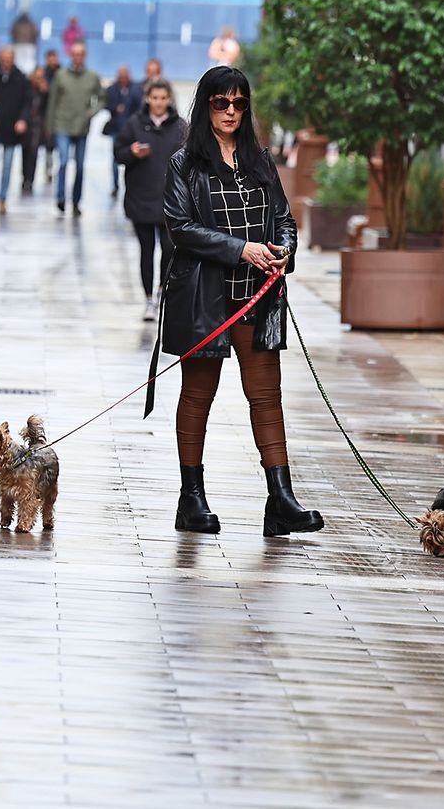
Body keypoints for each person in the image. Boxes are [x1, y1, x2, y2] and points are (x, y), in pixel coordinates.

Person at [159, 64, 320, 538]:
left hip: (258, 297)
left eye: (239, 102)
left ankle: (281, 501)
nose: (231, 111)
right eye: (220, 102)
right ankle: (191, 500)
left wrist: (283, 251)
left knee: (267, 397)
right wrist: (241, 249)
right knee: (198, 395)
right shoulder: (184, 164)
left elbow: (285, 220)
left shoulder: (260, 160)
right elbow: (180, 228)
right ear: (206, 104)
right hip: (205, 297)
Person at [116, 78, 183, 320]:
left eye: (163, 98)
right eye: (154, 98)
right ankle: (148, 299)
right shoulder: (135, 124)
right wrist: (131, 153)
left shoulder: (180, 128)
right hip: (141, 197)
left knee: (169, 248)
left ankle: (162, 291)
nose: (158, 103)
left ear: (169, 99)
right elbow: (118, 153)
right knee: (146, 250)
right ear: (148, 99)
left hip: (170, 202)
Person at [47, 41, 103, 216]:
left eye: (81, 54)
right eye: (75, 54)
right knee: (63, 162)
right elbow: (53, 101)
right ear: (71, 56)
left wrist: (91, 112)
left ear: (84, 56)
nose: (77, 57)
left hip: (81, 126)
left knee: (80, 166)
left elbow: (101, 98)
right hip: (62, 124)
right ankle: (61, 197)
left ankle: (77, 201)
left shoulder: (92, 76)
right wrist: (49, 126)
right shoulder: (61, 75)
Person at [0, 46, 33, 214]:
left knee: (7, 166)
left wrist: (22, 120)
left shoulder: (21, 78)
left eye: (9, 59)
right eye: (3, 59)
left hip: (12, 129)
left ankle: (3, 198)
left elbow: (27, 103)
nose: (6, 63)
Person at [24, 48, 62, 191]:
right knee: (32, 149)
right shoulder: (43, 74)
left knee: (49, 147)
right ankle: (29, 177)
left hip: (47, 119)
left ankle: (48, 170)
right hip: (35, 122)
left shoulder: (59, 74)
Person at [103, 64, 143, 199]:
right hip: (116, 129)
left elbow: (140, 106)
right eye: (121, 76)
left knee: (132, 157)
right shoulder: (112, 89)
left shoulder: (135, 89)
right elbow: (106, 104)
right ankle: (115, 185)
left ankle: (129, 185)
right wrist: (115, 109)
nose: (123, 79)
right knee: (115, 158)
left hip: (131, 130)